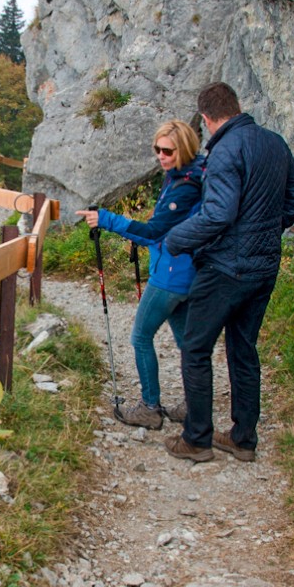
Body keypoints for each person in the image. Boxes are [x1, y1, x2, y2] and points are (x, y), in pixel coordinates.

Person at [161, 82, 294, 463]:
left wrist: (176, 239)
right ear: (237, 106)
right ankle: (243, 439)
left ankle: (197, 439)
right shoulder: (273, 142)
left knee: (195, 347)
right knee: (243, 349)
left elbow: (219, 214)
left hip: (227, 268)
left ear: (207, 119)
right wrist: (268, 228)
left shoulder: (226, 149)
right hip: (264, 266)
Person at [75, 119, 205, 430]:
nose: (161, 156)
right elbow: (160, 229)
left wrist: (105, 219)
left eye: (168, 151)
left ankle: (150, 408)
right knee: (187, 342)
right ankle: (193, 405)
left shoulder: (185, 187)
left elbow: (154, 231)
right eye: (157, 149)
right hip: (188, 274)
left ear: (184, 149)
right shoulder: (187, 177)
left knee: (141, 337)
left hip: (170, 276)